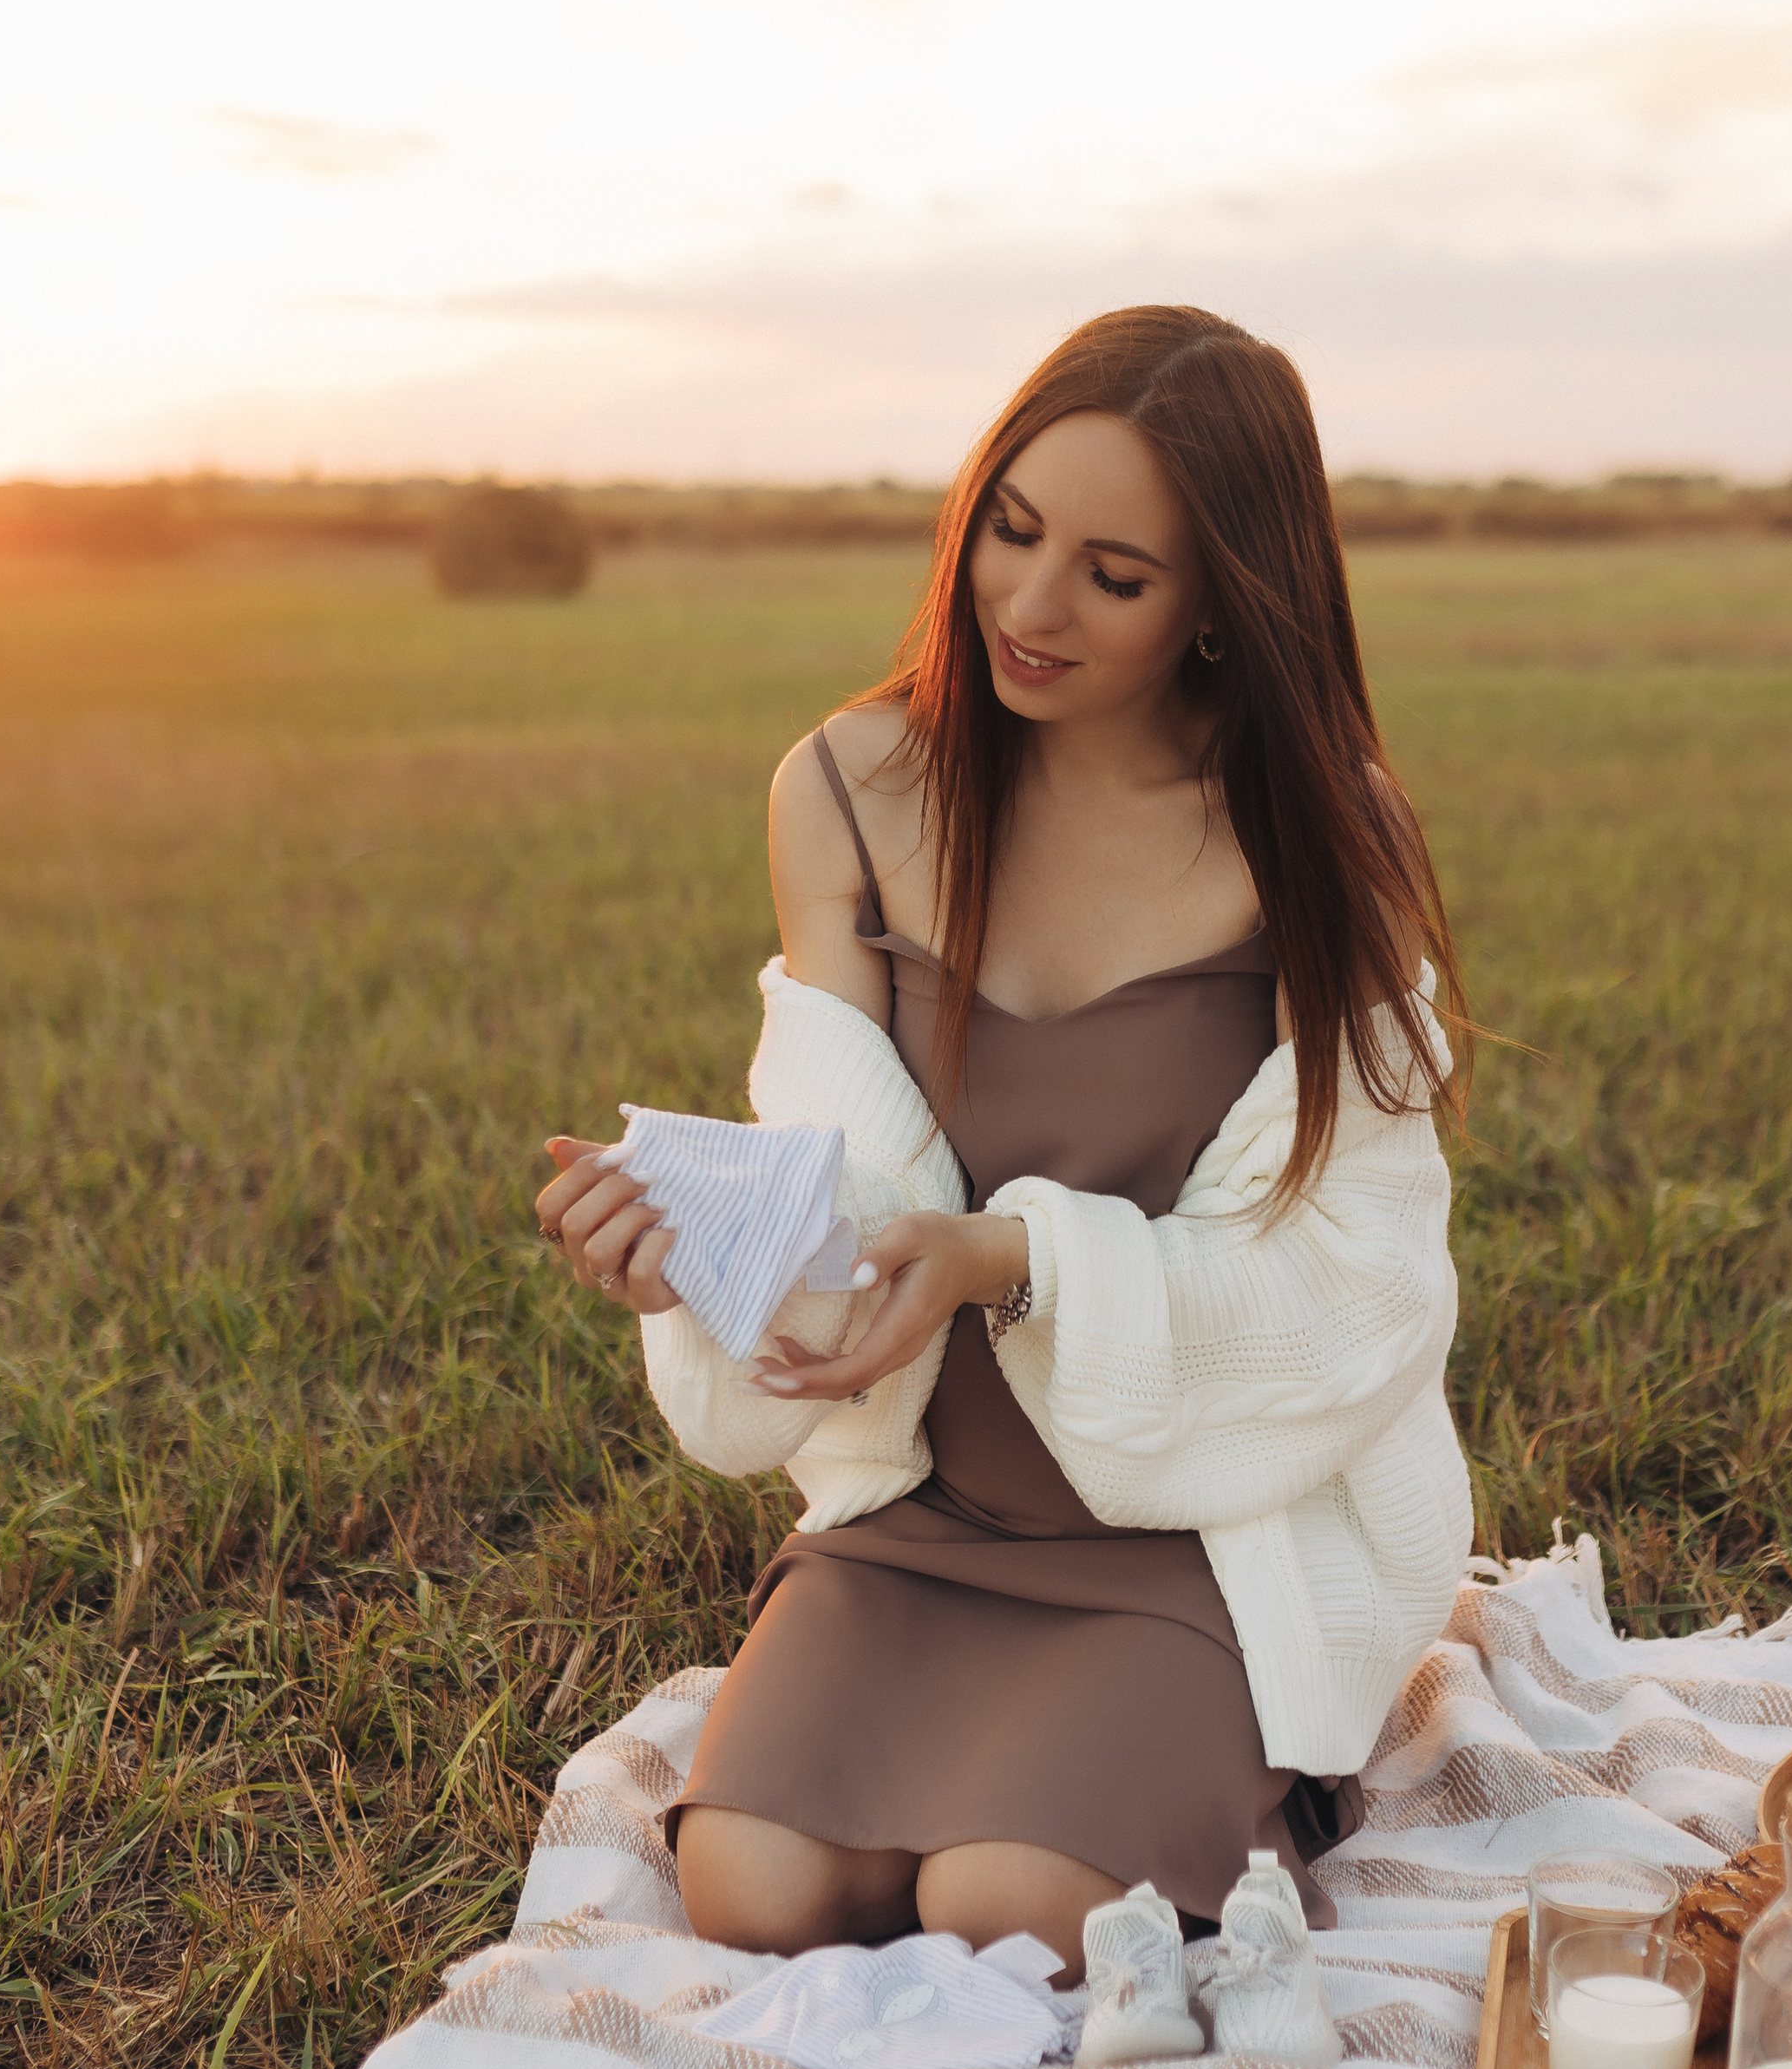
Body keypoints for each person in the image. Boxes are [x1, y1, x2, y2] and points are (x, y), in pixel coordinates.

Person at [535, 304, 1473, 1982]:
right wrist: (702, 1263)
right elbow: (846, 1187)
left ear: (1219, 608)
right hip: (933, 1499)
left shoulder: (1326, 836)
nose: (1030, 609)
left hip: (1196, 1526)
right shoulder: (849, 786)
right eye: (1012, 532)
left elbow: (1363, 1282)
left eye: (1114, 577)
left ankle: (1278, 1774)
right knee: (747, 1887)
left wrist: (1019, 1258)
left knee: (1008, 1914)